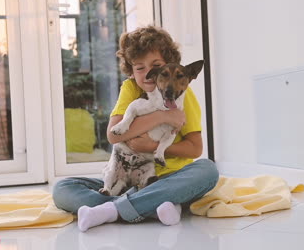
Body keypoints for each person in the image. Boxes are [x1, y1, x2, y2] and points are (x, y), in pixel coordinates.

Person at [52, 25, 219, 232]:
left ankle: (111, 210)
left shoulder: (182, 93)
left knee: (208, 170)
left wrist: (154, 146)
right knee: (63, 188)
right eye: (139, 68)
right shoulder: (131, 88)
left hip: (170, 179)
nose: (148, 73)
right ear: (131, 71)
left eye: (156, 65)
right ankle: (151, 206)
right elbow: (114, 136)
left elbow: (195, 149)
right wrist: (163, 115)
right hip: (127, 180)